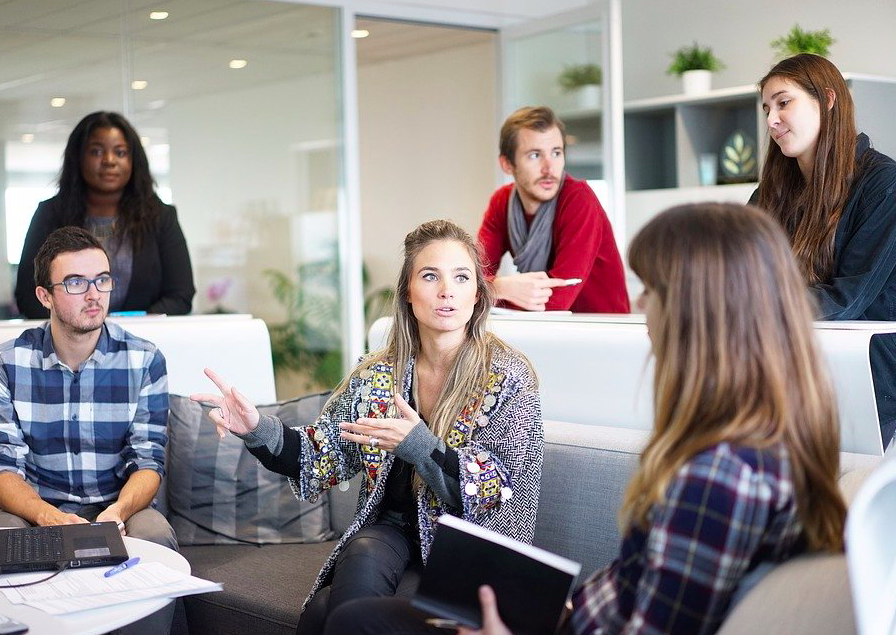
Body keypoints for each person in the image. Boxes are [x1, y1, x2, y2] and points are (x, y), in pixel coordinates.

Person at [330, 203, 847, 635]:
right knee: (350, 616)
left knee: (356, 624)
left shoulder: (719, 477)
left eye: (652, 290)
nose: (641, 306)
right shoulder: (757, 444)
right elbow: (640, 590)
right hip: (572, 615)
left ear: (700, 312)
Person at [191, 219, 543, 634]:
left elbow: (502, 493)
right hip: (391, 530)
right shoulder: (378, 373)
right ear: (408, 294)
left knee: (326, 610)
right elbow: (321, 454)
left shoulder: (508, 376)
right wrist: (255, 428)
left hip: (468, 545)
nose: (447, 290)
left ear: (477, 295)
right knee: (359, 556)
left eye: (461, 277)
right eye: (430, 276)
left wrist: (419, 445)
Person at [0, 227, 176, 551]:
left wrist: (118, 512)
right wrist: (48, 516)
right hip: (38, 510)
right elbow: (2, 468)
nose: (94, 294)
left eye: (102, 280)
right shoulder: (5, 364)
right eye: (75, 283)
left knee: (155, 535)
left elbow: (148, 462)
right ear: (45, 296)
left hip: (119, 507)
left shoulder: (145, 360)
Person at [752, 53, 896, 447]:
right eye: (767, 108)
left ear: (828, 100)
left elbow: (847, 299)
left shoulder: (884, 184)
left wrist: (749, 307)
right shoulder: (770, 194)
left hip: (869, 380)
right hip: (790, 370)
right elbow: (739, 273)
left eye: (784, 102)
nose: (771, 120)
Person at [15, 111, 195, 318]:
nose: (109, 161)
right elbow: (28, 297)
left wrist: (127, 329)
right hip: (69, 345)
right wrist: (82, 326)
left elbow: (180, 296)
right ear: (78, 158)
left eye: (120, 153)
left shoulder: (161, 217)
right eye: (96, 152)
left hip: (143, 342)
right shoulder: (50, 215)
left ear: (134, 161)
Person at [477, 106, 629, 313]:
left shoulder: (579, 198)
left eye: (556, 153)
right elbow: (470, 278)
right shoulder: (501, 202)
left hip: (601, 331)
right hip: (545, 330)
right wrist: (500, 287)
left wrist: (490, 291)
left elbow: (557, 301)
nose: (549, 168)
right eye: (534, 155)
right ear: (507, 164)